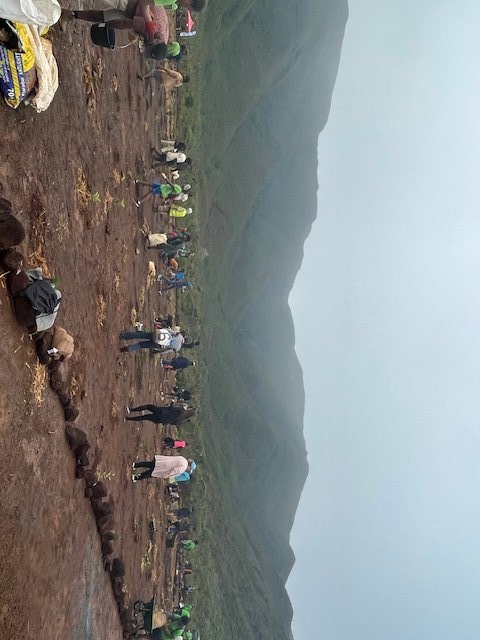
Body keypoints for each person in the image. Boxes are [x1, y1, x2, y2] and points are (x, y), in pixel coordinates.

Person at [62, 0, 170, 43]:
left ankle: (68, 15)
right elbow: (124, 24)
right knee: (102, 17)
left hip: (131, 11)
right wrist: (107, 25)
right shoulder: (153, 30)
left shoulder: (161, 37)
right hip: (131, 4)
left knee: (101, 16)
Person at [131, 456, 195, 482]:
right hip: (164, 468)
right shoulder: (183, 467)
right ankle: (135, 477)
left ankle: (135, 465)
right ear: (189, 466)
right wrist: (167, 475)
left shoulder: (183, 459)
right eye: (190, 469)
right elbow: (174, 471)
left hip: (163, 461)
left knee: (149, 464)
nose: (188, 470)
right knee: (150, 474)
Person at [120, 327, 184, 353]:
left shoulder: (179, 336)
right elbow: (167, 350)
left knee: (141, 335)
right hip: (159, 345)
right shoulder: (177, 348)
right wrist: (159, 352)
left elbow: (169, 330)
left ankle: (124, 336)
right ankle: (129, 349)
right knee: (142, 345)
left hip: (157, 334)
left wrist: (161, 330)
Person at [125, 403, 195, 424]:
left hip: (162, 412)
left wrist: (172, 403)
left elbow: (171, 408)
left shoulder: (182, 410)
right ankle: (128, 419)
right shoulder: (182, 420)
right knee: (144, 417)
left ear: (189, 410)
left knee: (148, 406)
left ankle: (131, 410)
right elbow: (173, 423)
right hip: (161, 420)